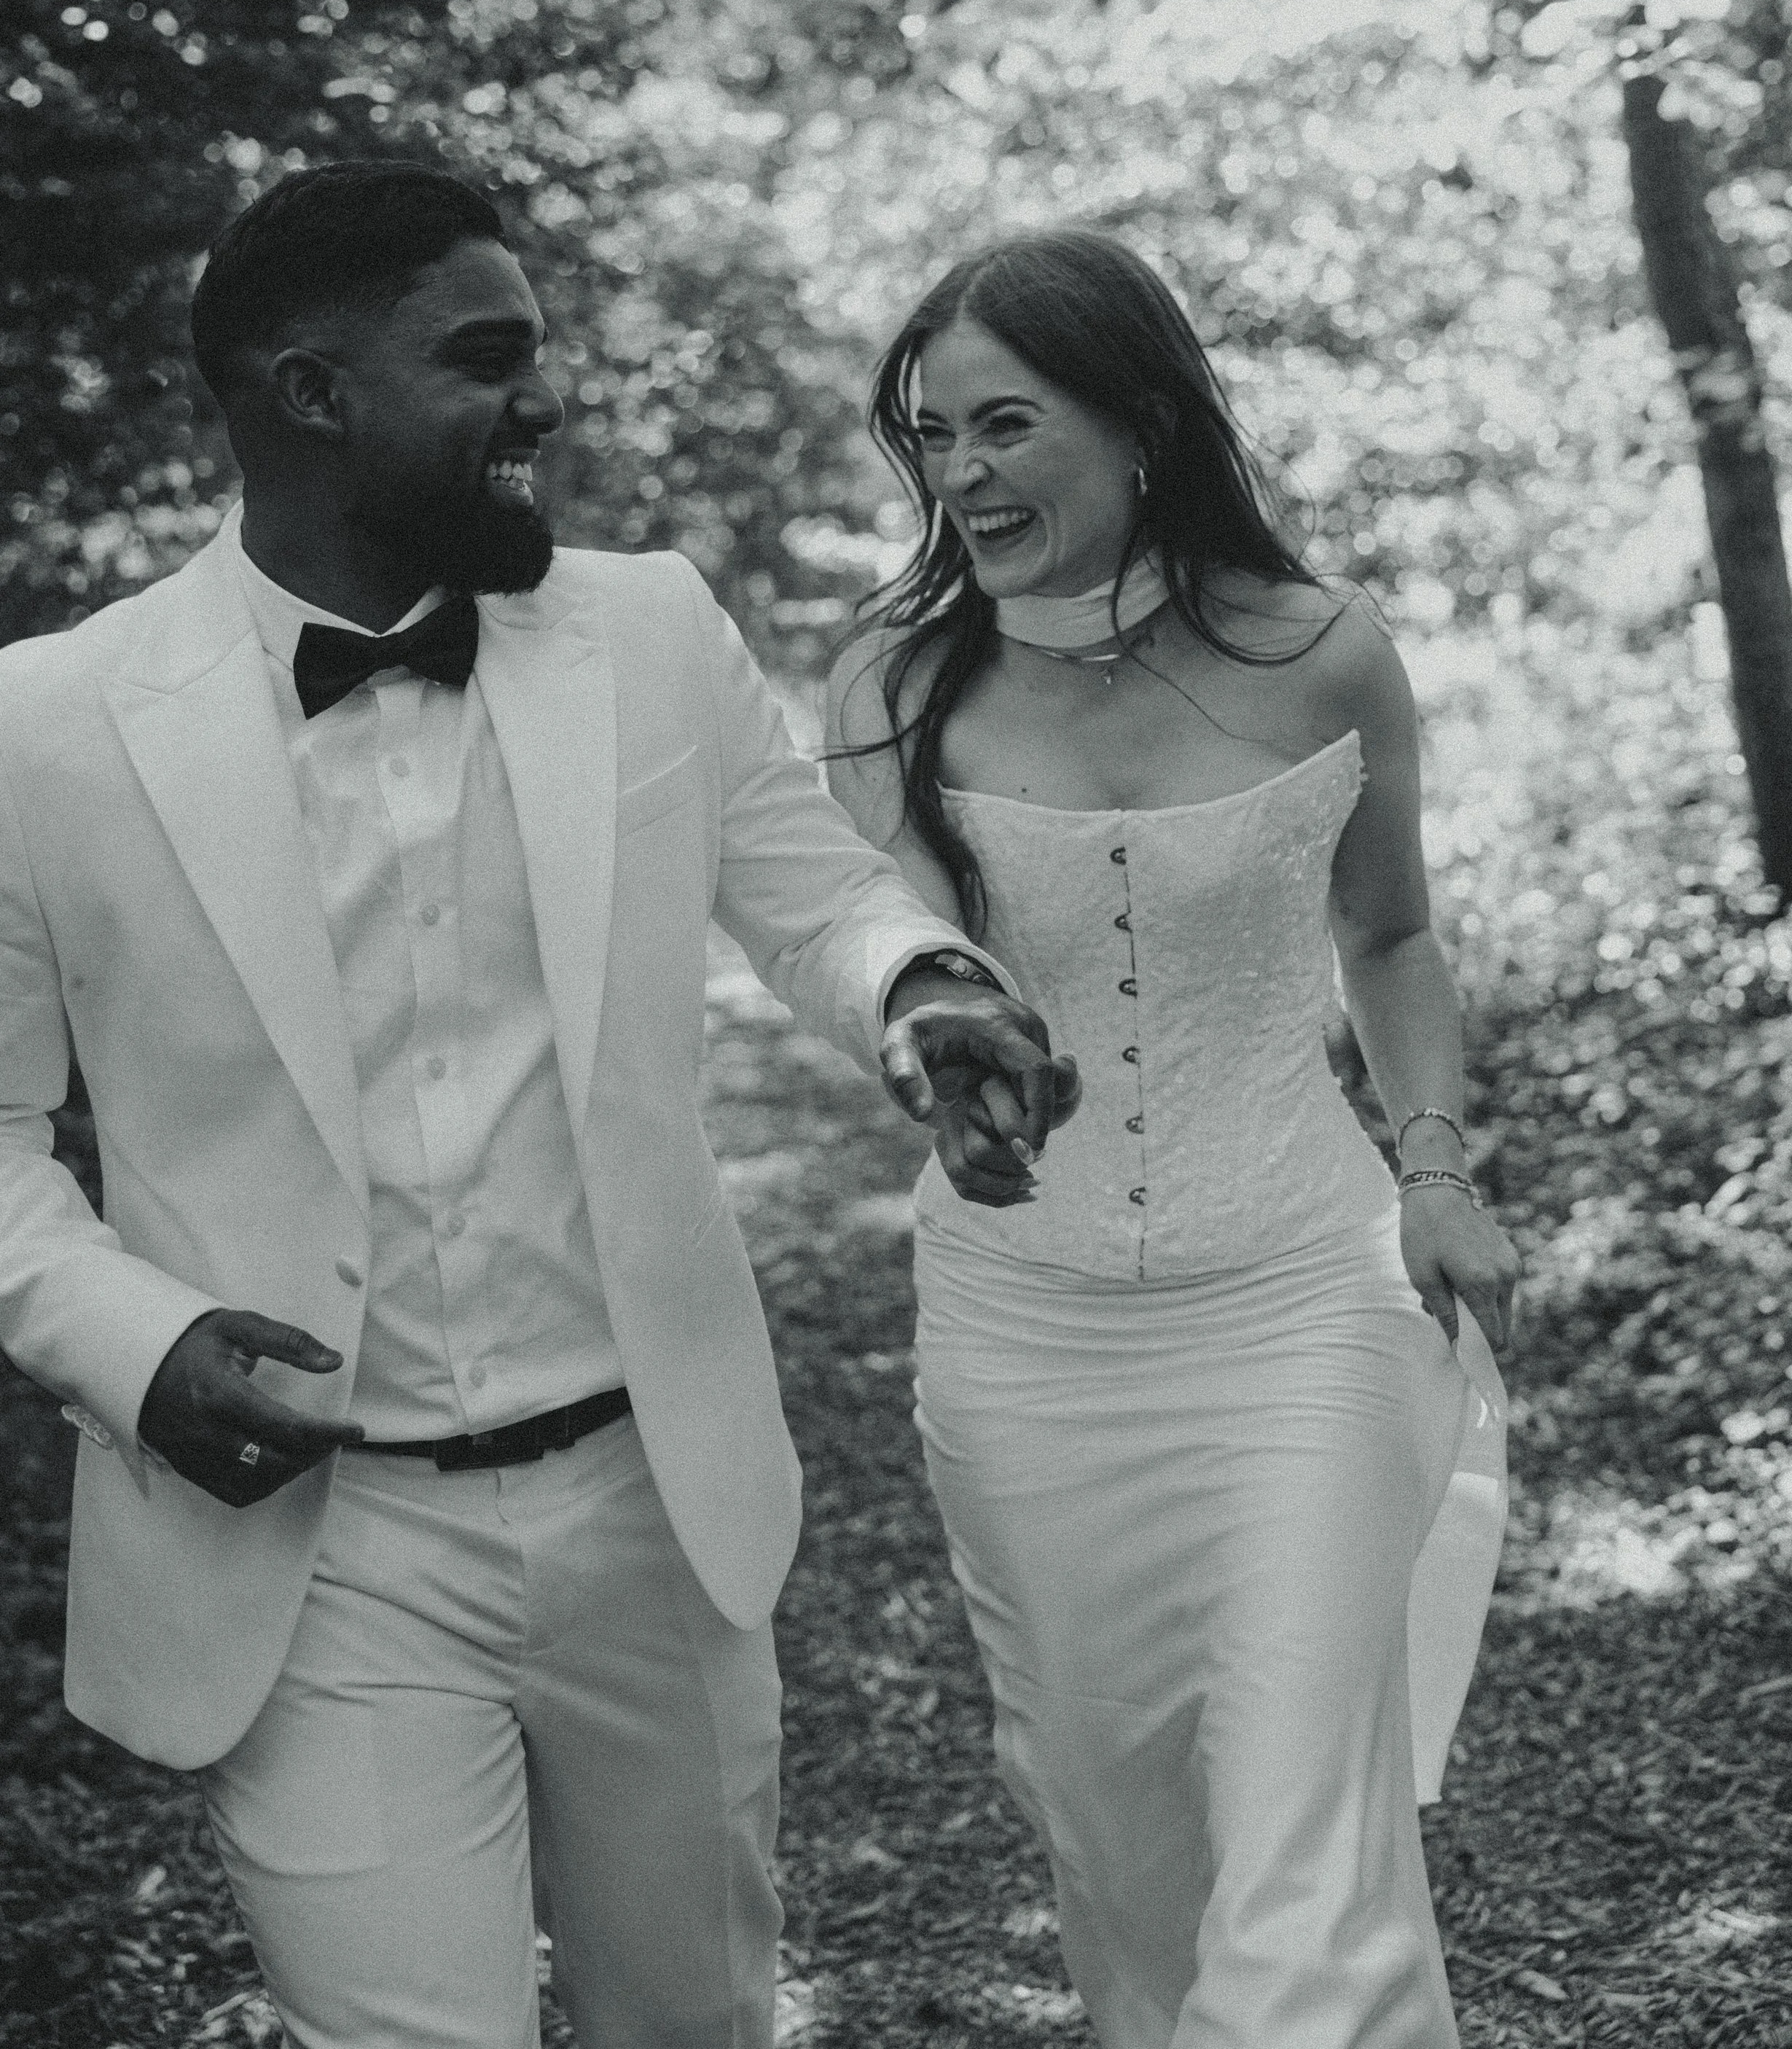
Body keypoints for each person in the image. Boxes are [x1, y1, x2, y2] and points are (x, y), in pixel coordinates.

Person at [0, 161, 1077, 2049]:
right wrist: (133, 1345)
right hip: (312, 1563)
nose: (549, 401)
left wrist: (922, 992)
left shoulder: (650, 630)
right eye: (488, 360)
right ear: (310, 391)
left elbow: (820, 892)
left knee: (693, 2024)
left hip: (651, 1503)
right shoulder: (48, 728)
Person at [826, 231, 1517, 2049]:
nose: (959, 474)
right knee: (1119, 1848)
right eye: (930, 437)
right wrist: (944, 1079)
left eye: (1000, 424)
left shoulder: (1321, 654)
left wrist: (1433, 1172)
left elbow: (1388, 938)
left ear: (1136, 424)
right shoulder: (892, 689)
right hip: (1026, 1333)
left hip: (1307, 1294)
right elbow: (887, 973)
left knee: (1305, 1844)